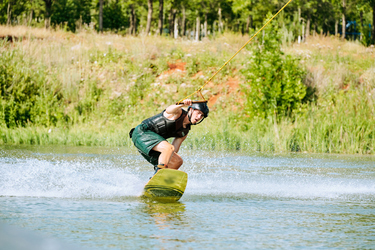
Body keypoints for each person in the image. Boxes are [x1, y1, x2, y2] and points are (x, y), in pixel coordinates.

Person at [129, 99, 209, 174]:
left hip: (150, 145)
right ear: (191, 110)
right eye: (198, 113)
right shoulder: (178, 113)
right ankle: (159, 174)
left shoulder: (184, 132)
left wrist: (167, 161)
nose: (199, 117)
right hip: (141, 133)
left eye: (201, 115)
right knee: (168, 148)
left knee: (177, 161)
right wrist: (181, 104)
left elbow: (173, 151)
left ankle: (157, 182)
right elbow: (169, 110)